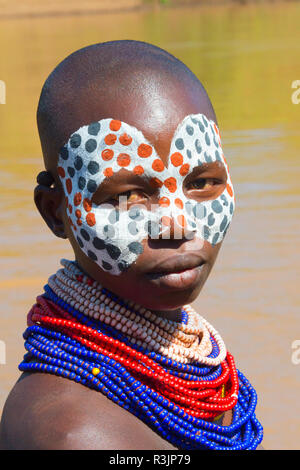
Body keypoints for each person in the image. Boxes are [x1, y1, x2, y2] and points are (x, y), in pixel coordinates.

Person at [0, 40, 263, 450]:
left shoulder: (198, 368)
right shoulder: (73, 435)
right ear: (55, 211)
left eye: (201, 184)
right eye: (128, 197)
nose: (177, 226)